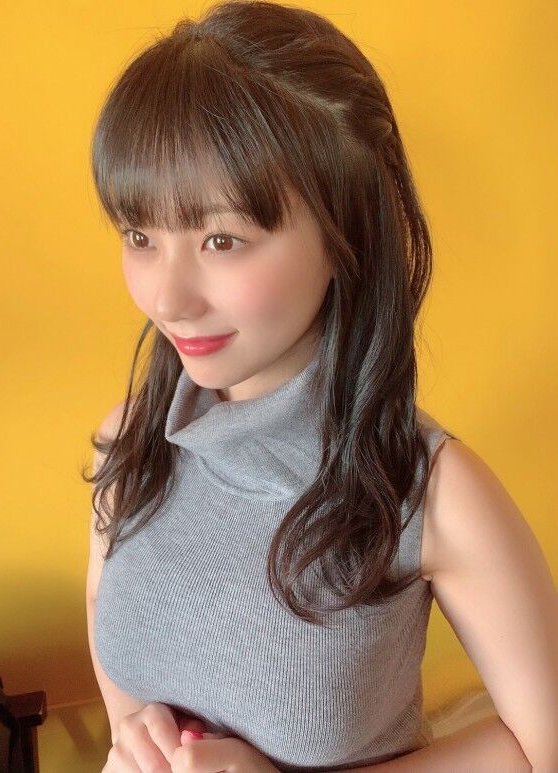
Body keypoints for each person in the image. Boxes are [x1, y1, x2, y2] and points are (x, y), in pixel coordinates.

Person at [83, 2, 558, 772]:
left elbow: (542, 745)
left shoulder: (430, 493)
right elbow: (121, 678)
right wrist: (136, 741)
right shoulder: (131, 443)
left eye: (221, 239)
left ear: (347, 234)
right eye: (140, 235)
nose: (166, 299)